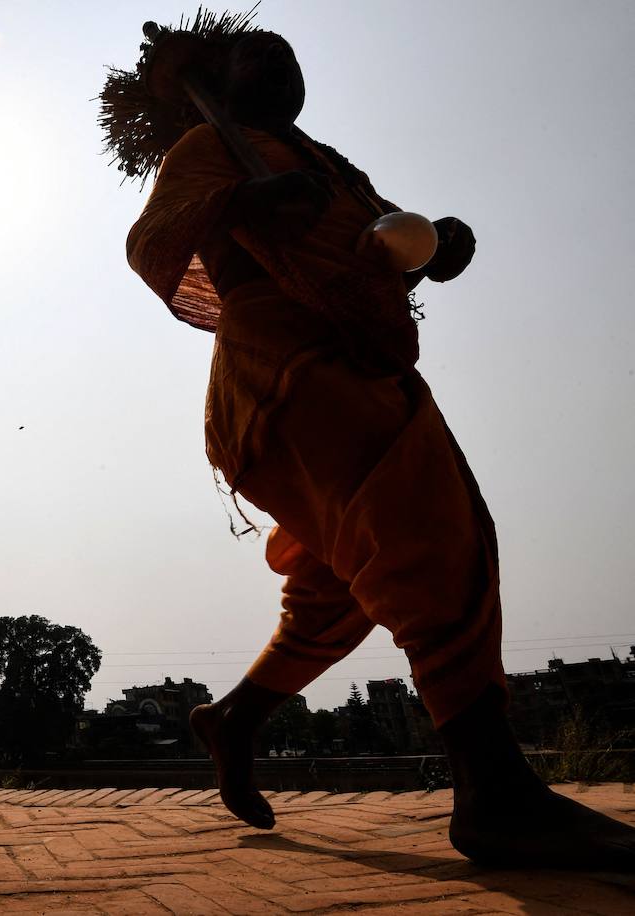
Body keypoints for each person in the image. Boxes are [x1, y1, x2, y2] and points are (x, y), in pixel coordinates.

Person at [104, 11, 635, 869]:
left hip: (363, 362)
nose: (275, 65)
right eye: (253, 57)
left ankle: (234, 717)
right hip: (286, 372)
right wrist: (243, 199)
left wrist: (439, 248)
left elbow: (389, 249)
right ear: (220, 80)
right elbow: (150, 241)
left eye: (286, 58)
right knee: (429, 530)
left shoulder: (335, 171)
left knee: (339, 588)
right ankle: (494, 792)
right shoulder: (207, 146)